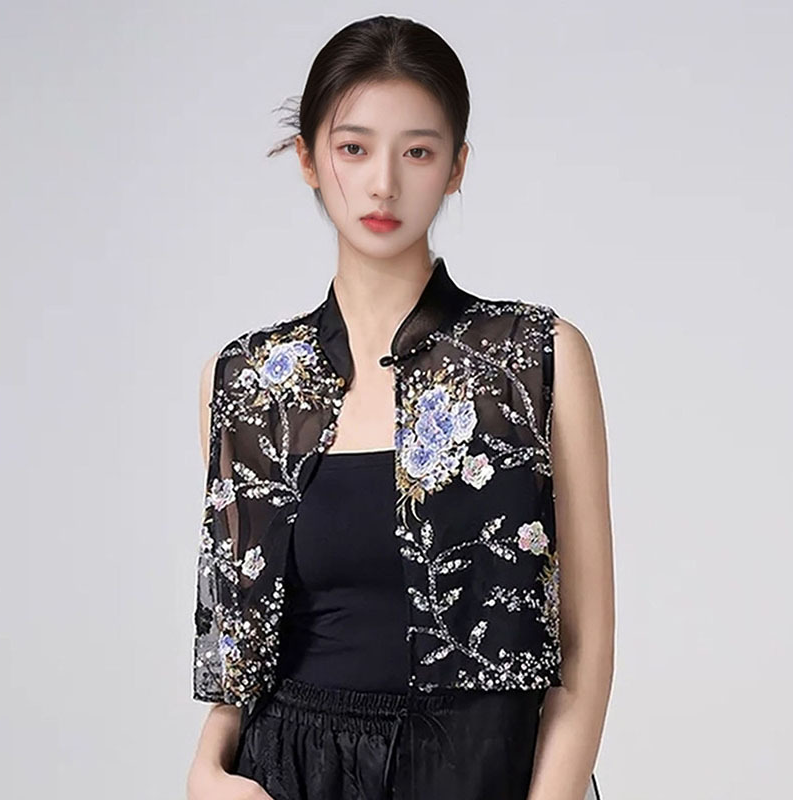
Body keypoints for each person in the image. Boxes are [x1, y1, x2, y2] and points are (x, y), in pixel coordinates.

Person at [186, 14, 613, 800]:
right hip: (289, 773)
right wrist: (207, 771)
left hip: (479, 770)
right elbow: (241, 645)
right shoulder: (246, 380)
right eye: (354, 148)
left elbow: (584, 649)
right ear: (309, 160)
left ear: (455, 168)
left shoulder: (535, 358)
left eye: (417, 151)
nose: (384, 183)